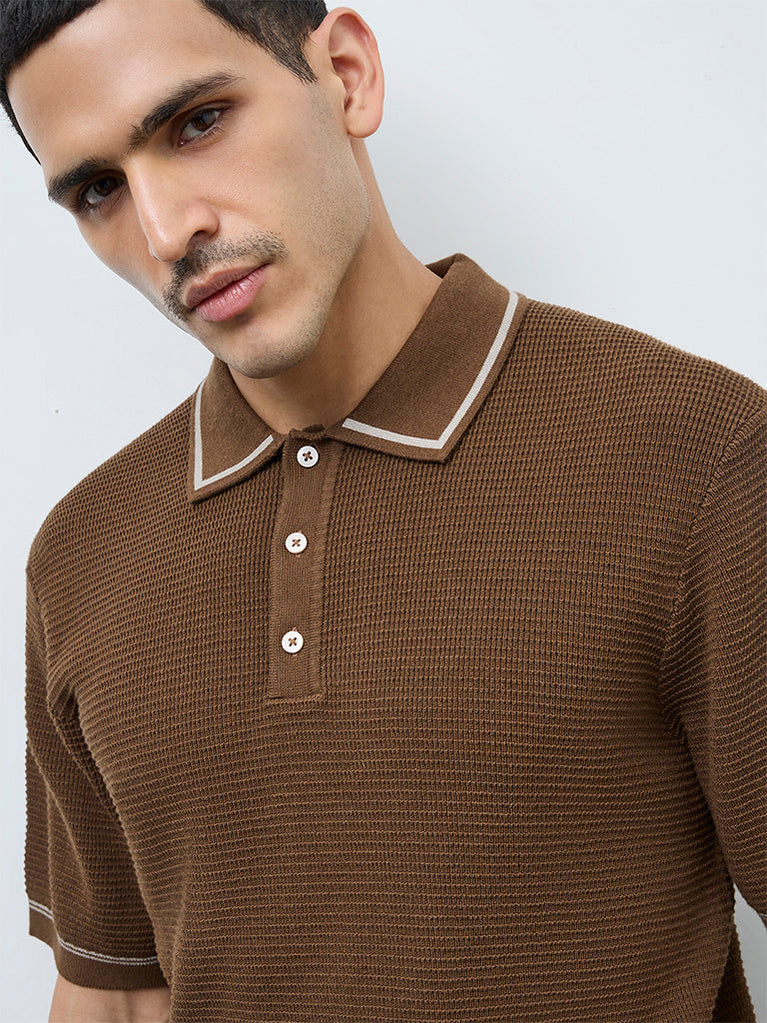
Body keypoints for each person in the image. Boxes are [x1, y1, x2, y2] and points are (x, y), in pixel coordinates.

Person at [3, 1, 765, 1021]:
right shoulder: (82, 555)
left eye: (196, 123)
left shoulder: (699, 454)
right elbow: (117, 999)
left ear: (347, 74)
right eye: (98, 189)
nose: (166, 230)